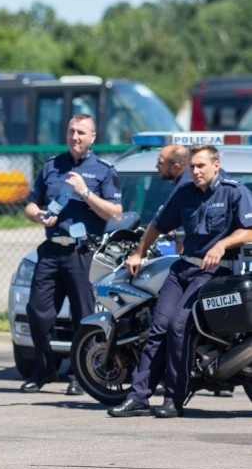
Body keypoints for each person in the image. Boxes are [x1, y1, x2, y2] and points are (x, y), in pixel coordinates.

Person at [108, 144, 252, 418]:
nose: (195, 171)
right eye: (192, 166)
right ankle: (138, 397)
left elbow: (249, 231)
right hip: (183, 268)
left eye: (201, 166)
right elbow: (157, 224)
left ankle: (173, 400)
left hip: (216, 271)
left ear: (216, 166)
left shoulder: (234, 191)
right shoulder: (184, 193)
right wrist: (138, 253)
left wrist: (222, 244)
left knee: (178, 327)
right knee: (158, 328)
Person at [21, 114, 122, 395]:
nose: (75, 137)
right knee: (37, 311)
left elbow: (115, 213)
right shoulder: (52, 166)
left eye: (81, 132)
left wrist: (86, 192)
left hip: (83, 253)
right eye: (71, 131)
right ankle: (44, 369)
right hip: (52, 250)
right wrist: (38, 215)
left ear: (93, 137)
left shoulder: (104, 170)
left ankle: (80, 375)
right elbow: (30, 204)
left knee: (84, 316)